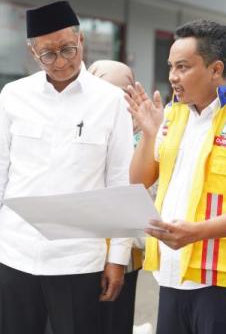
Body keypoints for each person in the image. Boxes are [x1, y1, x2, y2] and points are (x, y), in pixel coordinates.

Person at [0, 0, 133, 334]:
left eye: (68, 49)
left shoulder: (111, 101)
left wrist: (117, 258)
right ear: (33, 53)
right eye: (48, 54)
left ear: (81, 41)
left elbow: (120, 184)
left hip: (78, 259)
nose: (60, 62)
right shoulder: (14, 95)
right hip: (13, 253)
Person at [127, 19, 226, 334]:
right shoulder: (173, 114)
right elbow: (138, 181)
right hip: (172, 278)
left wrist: (196, 232)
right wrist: (148, 133)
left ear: (216, 69)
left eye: (183, 67)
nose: (173, 76)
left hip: (224, 287)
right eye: (171, 66)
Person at [89, 59, 146, 334]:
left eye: (124, 91)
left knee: (114, 320)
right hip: (80, 249)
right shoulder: (78, 124)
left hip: (125, 253)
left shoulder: (144, 134)